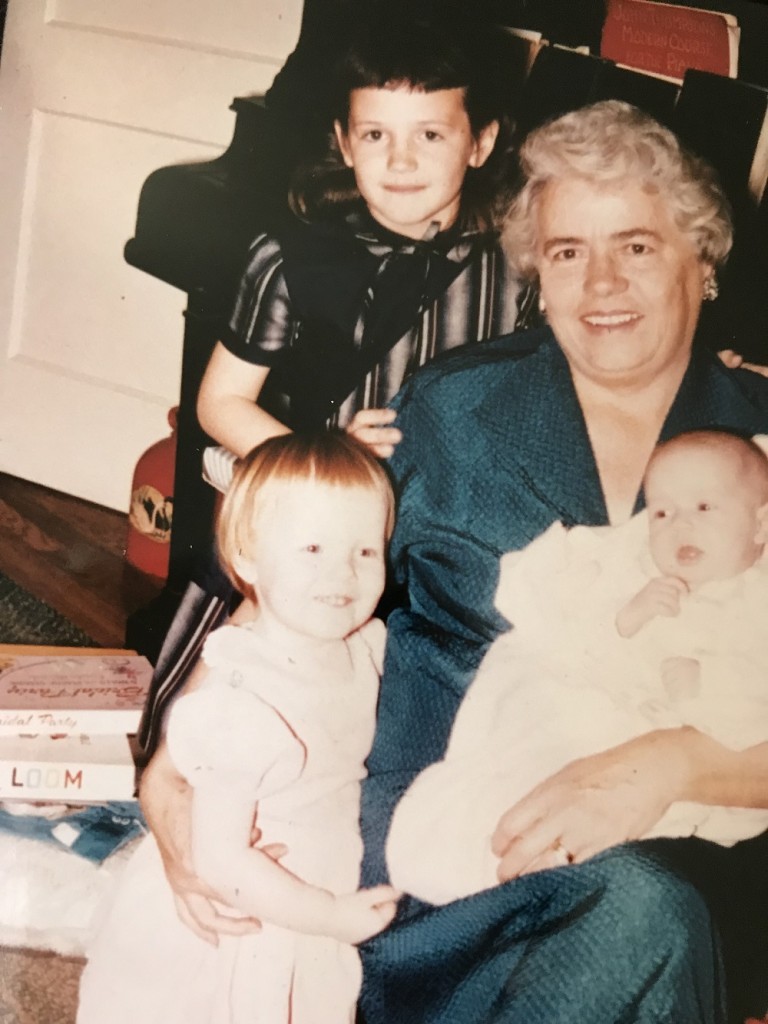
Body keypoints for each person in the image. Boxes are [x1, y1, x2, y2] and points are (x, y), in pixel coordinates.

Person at [143, 100, 768, 1023]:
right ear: (537, 279)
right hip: (436, 861)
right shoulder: (451, 413)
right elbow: (296, 579)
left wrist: (667, 764)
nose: (601, 282)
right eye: (566, 252)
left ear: (702, 265)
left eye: (636, 246)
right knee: (639, 914)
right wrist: (173, 768)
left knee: (646, 903)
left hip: (687, 841)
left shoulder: (755, 441)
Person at [137, 3, 529, 761]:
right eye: (376, 135)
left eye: (431, 135)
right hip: (312, 528)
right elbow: (220, 403)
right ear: (344, 143)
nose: (401, 161)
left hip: (444, 538)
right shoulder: (288, 256)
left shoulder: (516, 268)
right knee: (223, 725)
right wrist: (323, 459)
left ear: (480, 143)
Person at [78, 432, 400, 1024]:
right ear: (245, 557)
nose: (343, 574)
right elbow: (223, 861)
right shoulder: (243, 696)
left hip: (306, 887)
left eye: (364, 551)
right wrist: (329, 915)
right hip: (247, 911)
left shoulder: (365, 647)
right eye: (311, 548)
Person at [386, 429, 768, 907]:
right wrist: (630, 616)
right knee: (521, 767)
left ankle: (536, 870)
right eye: (663, 513)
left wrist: (707, 687)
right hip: (594, 712)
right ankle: (472, 855)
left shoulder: (756, 605)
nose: (679, 526)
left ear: (760, 526)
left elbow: (756, 700)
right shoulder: (639, 573)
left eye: (706, 509)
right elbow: (586, 638)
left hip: (686, 762)